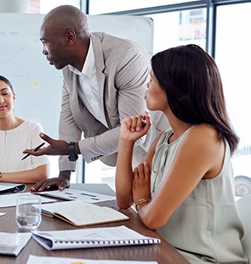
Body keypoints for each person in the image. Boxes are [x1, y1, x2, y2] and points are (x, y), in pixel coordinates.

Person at [115, 45, 248, 263]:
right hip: (167, 251)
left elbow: (153, 219)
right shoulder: (165, 138)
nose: (146, 86)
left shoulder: (203, 137)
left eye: (152, 80)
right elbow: (123, 199)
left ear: (174, 88)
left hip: (202, 259)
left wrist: (142, 199)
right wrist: (125, 141)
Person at [23, 5, 169, 191]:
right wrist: (64, 175)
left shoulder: (126, 57)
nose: (44, 51)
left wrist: (74, 148)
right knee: (134, 208)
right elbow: (69, 118)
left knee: (157, 213)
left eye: (45, 42)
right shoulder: (69, 68)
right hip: (127, 152)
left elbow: (133, 128)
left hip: (161, 145)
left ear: (70, 37)